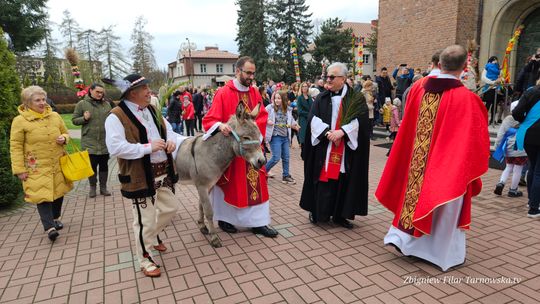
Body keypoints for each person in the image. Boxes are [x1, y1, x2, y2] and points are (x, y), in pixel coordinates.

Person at [376, 45, 490, 271]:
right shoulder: (467, 99)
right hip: (448, 164)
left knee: (413, 197)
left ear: (439, 64)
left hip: (416, 160)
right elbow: (476, 140)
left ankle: (404, 240)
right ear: (464, 67)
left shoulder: (419, 87)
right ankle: (440, 255)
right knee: (444, 202)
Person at [105, 74, 180, 277]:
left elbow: (169, 129)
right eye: (145, 88)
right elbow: (115, 148)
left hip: (163, 171)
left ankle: (152, 237)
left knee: (170, 209)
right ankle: (144, 258)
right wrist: (147, 148)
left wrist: (171, 140)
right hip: (139, 176)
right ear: (132, 92)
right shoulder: (116, 116)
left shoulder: (152, 109)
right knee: (144, 220)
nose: (149, 91)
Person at [202, 56, 278, 238]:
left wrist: (255, 134)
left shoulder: (254, 93)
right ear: (238, 71)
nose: (251, 77)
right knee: (232, 184)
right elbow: (210, 119)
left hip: (251, 148)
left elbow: (261, 116)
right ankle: (226, 219)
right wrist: (221, 126)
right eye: (248, 73)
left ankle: (258, 223)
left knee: (257, 182)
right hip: (233, 151)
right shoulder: (223, 92)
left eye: (253, 73)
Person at [299, 62, 370, 228]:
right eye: (326, 77)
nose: (327, 80)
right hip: (325, 147)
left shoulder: (356, 99)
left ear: (343, 79)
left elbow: (361, 122)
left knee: (343, 180)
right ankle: (318, 212)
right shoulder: (321, 98)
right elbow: (312, 119)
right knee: (324, 180)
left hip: (346, 150)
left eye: (332, 77)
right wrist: (327, 132)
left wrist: (343, 132)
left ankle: (340, 215)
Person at [10, 86, 73, 241]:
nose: (42, 103)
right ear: (27, 103)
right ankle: (49, 227)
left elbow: (66, 132)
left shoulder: (55, 116)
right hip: (35, 166)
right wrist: (19, 169)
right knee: (41, 196)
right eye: (37, 100)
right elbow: (15, 146)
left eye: (43, 99)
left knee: (58, 191)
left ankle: (56, 218)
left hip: (57, 162)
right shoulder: (19, 121)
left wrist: (64, 138)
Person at [72, 83, 112, 198]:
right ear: (91, 91)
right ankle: (92, 187)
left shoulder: (107, 104)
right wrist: (84, 118)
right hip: (90, 141)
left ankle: (103, 187)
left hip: (104, 141)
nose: (100, 94)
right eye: (97, 92)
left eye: (101, 92)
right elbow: (74, 120)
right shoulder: (82, 104)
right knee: (92, 166)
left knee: (104, 165)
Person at [513, 79, 540, 218]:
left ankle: (531, 201)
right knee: (538, 172)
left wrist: (524, 120)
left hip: (528, 135)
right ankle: (534, 208)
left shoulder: (530, 92)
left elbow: (516, 111)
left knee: (533, 167)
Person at [493, 101, 527, 197]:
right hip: (521, 148)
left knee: (508, 167)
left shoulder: (507, 119)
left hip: (508, 147)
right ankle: (513, 190)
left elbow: (500, 134)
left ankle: (501, 182)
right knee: (518, 169)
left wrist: (497, 146)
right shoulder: (526, 119)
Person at [265, 91, 300, 184]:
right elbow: (261, 115)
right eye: (275, 98)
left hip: (285, 136)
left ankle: (285, 175)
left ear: (284, 99)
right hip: (275, 136)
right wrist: (267, 120)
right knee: (276, 158)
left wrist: (295, 125)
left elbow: (291, 120)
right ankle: (263, 172)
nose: (277, 100)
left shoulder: (288, 109)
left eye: (279, 98)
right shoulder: (270, 108)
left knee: (286, 157)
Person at [481, 56, 503, 125]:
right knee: (488, 105)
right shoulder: (487, 67)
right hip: (489, 88)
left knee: (495, 105)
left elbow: (501, 77)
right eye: (495, 60)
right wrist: (493, 82)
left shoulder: (498, 68)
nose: (496, 61)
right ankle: (483, 119)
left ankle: (492, 120)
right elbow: (483, 78)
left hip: (496, 88)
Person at [297, 82, 313, 152]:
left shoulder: (309, 97)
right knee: (303, 136)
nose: (304, 87)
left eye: (306, 86)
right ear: (301, 88)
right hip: (303, 119)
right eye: (303, 86)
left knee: (309, 136)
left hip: (310, 119)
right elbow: (299, 111)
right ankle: (303, 152)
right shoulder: (300, 98)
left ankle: (307, 152)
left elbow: (312, 108)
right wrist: (309, 114)